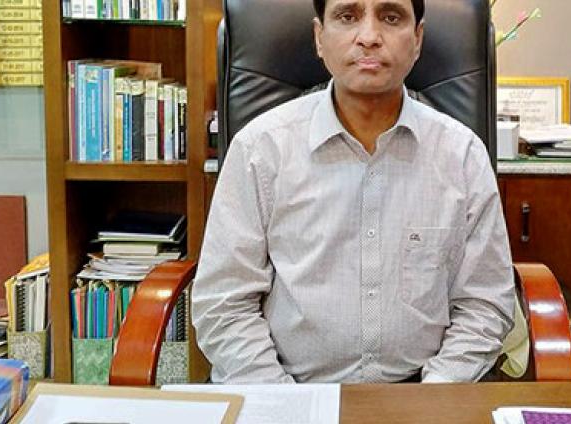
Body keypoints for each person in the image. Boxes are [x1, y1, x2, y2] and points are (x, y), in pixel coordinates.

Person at [191, 0, 514, 384]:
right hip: (288, 389)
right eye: (348, 16)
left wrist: (433, 396)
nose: (370, 37)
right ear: (319, 37)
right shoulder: (261, 149)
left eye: (391, 17)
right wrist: (283, 401)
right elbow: (224, 305)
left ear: (417, 39)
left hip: (424, 393)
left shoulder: (461, 155)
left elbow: (484, 304)